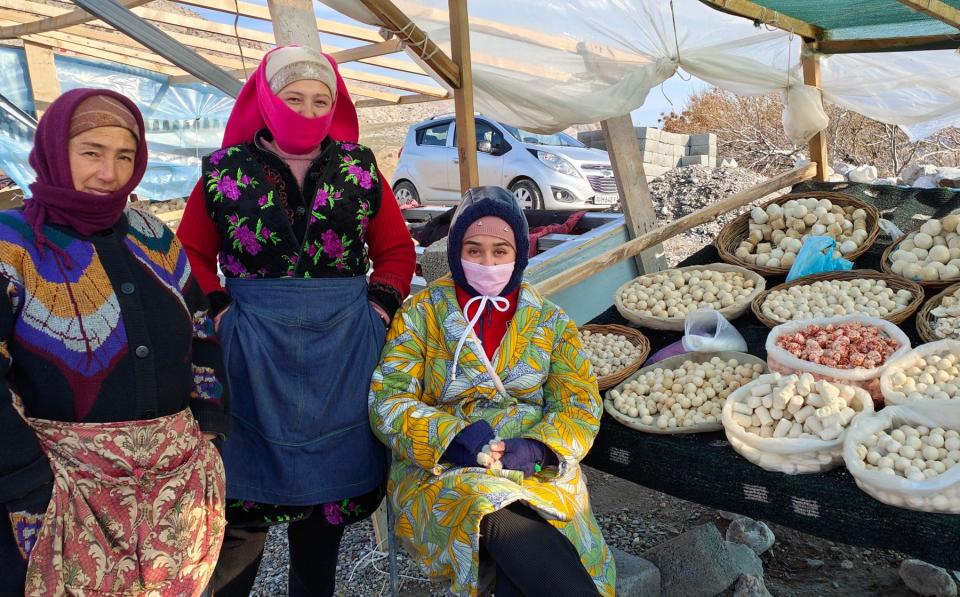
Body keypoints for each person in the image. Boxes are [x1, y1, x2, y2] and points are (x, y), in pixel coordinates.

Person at [176, 45, 416, 596]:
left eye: (319, 101)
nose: (307, 111)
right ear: (266, 99)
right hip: (251, 349)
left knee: (321, 517)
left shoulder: (359, 169)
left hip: (343, 350)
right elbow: (189, 249)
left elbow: (398, 251)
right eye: (293, 98)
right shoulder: (224, 172)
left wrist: (376, 311)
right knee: (242, 516)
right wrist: (222, 309)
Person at [0, 88, 228, 597]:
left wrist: (210, 423)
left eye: (124, 156)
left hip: (176, 484)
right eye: (91, 153)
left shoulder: (154, 237)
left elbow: (200, 327)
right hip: (63, 488)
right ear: (55, 151)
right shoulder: (11, 246)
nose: (110, 173)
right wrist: (27, 480)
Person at [369, 186, 615, 597]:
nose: (487, 262)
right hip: (442, 468)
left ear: (519, 254)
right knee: (496, 512)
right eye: (474, 249)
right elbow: (388, 399)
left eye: (500, 251)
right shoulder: (421, 313)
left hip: (533, 465)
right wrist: (452, 439)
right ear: (455, 252)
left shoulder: (550, 321)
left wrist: (539, 449)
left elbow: (579, 402)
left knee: (536, 540)